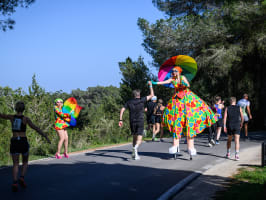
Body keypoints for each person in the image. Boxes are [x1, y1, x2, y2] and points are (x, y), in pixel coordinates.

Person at [151, 66, 217, 160]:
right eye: (172, 71)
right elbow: (164, 82)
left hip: (187, 100)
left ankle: (191, 147)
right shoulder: (172, 79)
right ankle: (175, 145)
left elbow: (188, 85)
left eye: (175, 71)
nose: (173, 72)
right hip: (177, 101)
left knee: (189, 120)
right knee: (176, 121)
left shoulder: (182, 78)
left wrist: (182, 83)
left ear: (179, 72)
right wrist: (155, 83)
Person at [0, 101, 50, 192]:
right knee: (25, 161)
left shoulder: (11, 117)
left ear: (16, 108)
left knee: (15, 164)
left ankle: (15, 182)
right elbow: (36, 128)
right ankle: (22, 177)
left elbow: (1, 115)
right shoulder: (25, 119)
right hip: (23, 141)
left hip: (14, 141)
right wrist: (45, 136)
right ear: (23, 109)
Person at [119, 82, 154, 160]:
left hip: (132, 121)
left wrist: (120, 120)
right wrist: (150, 85)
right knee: (139, 138)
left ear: (133, 95)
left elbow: (122, 109)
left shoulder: (129, 102)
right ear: (139, 95)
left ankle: (134, 153)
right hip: (140, 120)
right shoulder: (142, 100)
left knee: (134, 137)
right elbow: (152, 95)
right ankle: (135, 148)